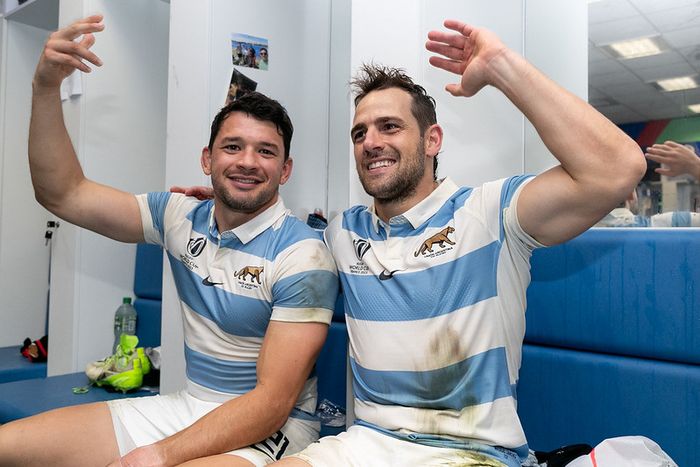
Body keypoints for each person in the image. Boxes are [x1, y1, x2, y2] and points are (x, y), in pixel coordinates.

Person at [270, 19, 645, 467]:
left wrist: (502, 66)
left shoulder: (489, 214)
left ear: (432, 140)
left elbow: (618, 169)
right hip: (365, 444)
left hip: (474, 453)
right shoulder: (343, 233)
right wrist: (222, 206)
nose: (370, 142)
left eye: (389, 126)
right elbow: (273, 243)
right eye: (359, 133)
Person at [0, 14, 338, 467]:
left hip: (274, 426)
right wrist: (44, 87)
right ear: (207, 159)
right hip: (186, 406)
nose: (248, 162)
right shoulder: (179, 215)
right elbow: (63, 194)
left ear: (285, 169)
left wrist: (158, 455)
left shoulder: (303, 255)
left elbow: (271, 403)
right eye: (233, 147)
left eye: (266, 151)